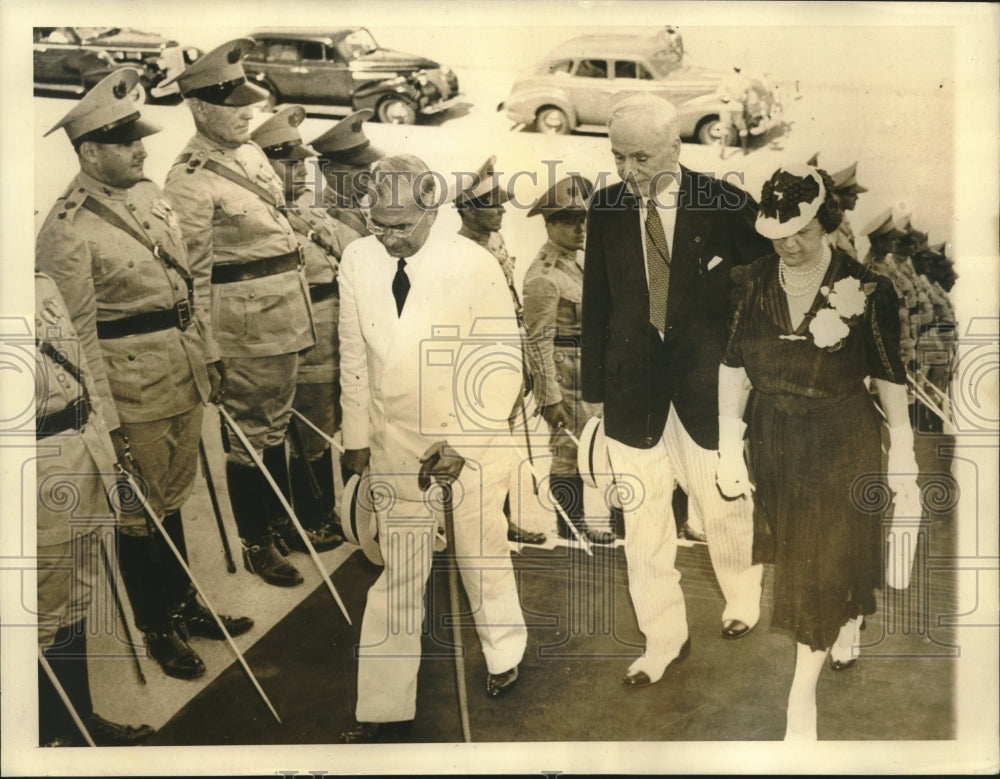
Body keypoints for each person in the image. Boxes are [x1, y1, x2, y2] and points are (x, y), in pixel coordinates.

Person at [36, 68, 252, 682]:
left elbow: (187, 287)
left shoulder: (149, 195)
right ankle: (158, 624)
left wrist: (208, 353)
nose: (142, 149)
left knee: (173, 499)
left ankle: (184, 603)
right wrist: (105, 424)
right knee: (140, 513)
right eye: (127, 141)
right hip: (130, 394)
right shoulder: (66, 230)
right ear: (89, 151)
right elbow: (73, 341)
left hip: (178, 375)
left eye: (140, 138)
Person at [717, 164, 918, 740]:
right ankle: (847, 618)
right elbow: (733, 364)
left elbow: (888, 374)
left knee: (817, 563)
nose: (789, 244)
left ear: (827, 224)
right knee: (811, 552)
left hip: (841, 440)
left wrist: (902, 450)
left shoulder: (866, 287)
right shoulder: (752, 280)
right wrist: (731, 445)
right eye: (777, 234)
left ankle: (799, 697)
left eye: (801, 231)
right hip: (775, 439)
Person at [581, 93, 771, 689]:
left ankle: (741, 597)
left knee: (725, 508)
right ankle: (663, 637)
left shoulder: (726, 205)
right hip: (631, 393)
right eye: (618, 157)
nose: (628, 172)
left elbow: (767, 294)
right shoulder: (607, 208)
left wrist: (756, 378)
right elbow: (597, 303)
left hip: (706, 392)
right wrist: (592, 393)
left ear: (675, 148)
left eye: (641, 157)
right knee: (643, 523)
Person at [338, 155, 527, 743]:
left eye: (402, 225)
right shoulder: (356, 258)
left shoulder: (473, 264)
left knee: (480, 554)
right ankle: (383, 707)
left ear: (433, 209)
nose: (390, 238)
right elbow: (354, 359)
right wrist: (356, 441)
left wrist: (463, 445)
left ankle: (504, 651)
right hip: (395, 444)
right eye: (380, 224)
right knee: (401, 572)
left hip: (466, 440)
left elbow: (502, 366)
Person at [162, 40, 316, 587]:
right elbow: (192, 274)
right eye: (234, 104)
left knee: (273, 428)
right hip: (244, 327)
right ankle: (258, 541)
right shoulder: (190, 178)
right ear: (201, 108)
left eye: (249, 100)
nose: (248, 111)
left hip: (284, 315)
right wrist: (207, 348)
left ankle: (277, 520)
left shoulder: (248, 152)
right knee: (252, 436)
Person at [34, 272, 156, 746]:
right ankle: (45, 736)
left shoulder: (40, 282)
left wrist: (107, 437)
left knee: (78, 596)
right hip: (33, 468)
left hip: (81, 453)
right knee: (42, 607)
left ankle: (78, 718)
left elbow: (80, 362)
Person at [251, 105, 356, 552]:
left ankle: (326, 512)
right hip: (304, 342)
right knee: (307, 436)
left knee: (325, 427)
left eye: (304, 164)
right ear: (265, 165)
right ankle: (307, 518)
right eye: (289, 164)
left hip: (332, 337)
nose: (302, 173)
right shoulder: (263, 219)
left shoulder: (309, 212)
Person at [455, 155, 547, 545]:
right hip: (478, 360)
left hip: (508, 351)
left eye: (502, 203)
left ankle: (503, 520)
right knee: (479, 447)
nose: (502, 211)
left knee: (506, 444)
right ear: (467, 210)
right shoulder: (455, 252)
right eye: (492, 204)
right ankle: (473, 525)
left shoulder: (494, 240)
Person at [521, 174, 616, 544]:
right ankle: (571, 529)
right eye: (568, 220)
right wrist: (549, 398)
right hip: (565, 373)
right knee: (568, 452)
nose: (580, 227)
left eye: (582, 218)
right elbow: (538, 342)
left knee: (589, 447)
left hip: (586, 368)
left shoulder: (575, 262)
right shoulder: (543, 276)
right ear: (548, 224)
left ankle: (583, 524)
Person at [310, 109, 386, 244]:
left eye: (368, 165)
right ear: (328, 170)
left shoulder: (370, 205)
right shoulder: (318, 213)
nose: (367, 173)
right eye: (357, 167)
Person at [714, 66, 753, 157]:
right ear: (740, 70)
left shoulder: (726, 79)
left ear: (732, 69)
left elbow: (719, 93)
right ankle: (744, 150)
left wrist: (726, 99)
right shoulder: (744, 80)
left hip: (727, 106)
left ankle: (723, 148)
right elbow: (746, 97)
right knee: (742, 128)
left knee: (725, 127)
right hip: (738, 106)